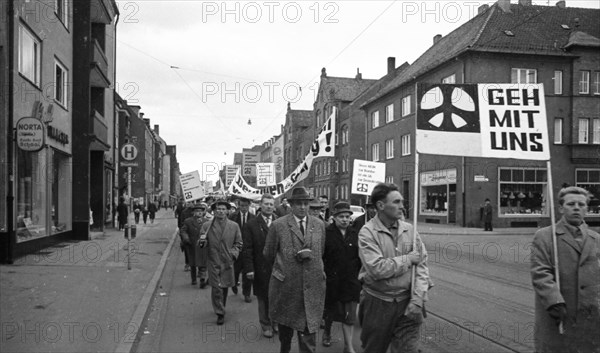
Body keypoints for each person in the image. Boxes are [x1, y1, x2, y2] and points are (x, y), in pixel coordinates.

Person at [358, 183, 430, 353]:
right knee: (374, 349)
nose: (402, 206)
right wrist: (407, 259)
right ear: (380, 206)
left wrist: (418, 299)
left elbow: (422, 265)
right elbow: (377, 268)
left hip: (408, 303)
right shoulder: (367, 233)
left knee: (408, 349)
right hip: (378, 303)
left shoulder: (410, 230)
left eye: (402, 202)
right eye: (396, 202)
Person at [530, 186, 600, 353]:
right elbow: (540, 272)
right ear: (561, 208)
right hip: (559, 315)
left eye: (581, 204)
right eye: (571, 204)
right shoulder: (546, 236)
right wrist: (554, 301)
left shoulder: (596, 238)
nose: (577, 207)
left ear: (587, 209)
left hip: (589, 318)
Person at [263, 187, 327, 353]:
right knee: (286, 334)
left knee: (308, 336)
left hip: (311, 288)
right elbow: (268, 253)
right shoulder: (278, 225)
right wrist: (285, 265)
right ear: (291, 205)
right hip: (286, 288)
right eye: (298, 204)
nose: (303, 207)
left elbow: (322, 251)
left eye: (306, 203)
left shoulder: (319, 225)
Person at [322, 202, 361, 352]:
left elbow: (360, 257)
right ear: (334, 218)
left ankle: (348, 345)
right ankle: (327, 332)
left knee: (350, 315)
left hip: (351, 280)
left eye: (347, 216)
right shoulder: (327, 233)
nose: (345, 219)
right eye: (341, 217)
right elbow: (322, 256)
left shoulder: (355, 233)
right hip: (333, 280)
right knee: (331, 311)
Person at [198, 200, 243, 325]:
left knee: (224, 286)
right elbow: (201, 243)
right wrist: (202, 242)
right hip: (213, 260)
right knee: (216, 287)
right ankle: (220, 313)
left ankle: (221, 305)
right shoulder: (207, 226)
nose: (220, 211)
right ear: (214, 211)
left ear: (227, 211)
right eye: (218, 209)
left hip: (227, 261)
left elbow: (239, 243)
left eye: (223, 209)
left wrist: (233, 254)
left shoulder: (234, 226)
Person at [242, 194, 278, 338]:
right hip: (260, 266)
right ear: (260, 206)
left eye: (271, 204)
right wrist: (249, 269)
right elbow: (247, 249)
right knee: (263, 297)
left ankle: (275, 321)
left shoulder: (279, 222)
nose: (269, 206)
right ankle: (266, 324)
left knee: (277, 296)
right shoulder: (251, 224)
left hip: (278, 267)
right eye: (266, 204)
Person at [229, 197, 255, 302]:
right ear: (238, 206)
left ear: (249, 206)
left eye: (246, 206)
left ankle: (246, 293)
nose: (244, 208)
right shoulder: (232, 217)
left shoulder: (253, 218)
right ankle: (234, 284)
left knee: (247, 272)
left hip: (248, 250)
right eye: (242, 206)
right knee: (235, 271)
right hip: (236, 249)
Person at [180, 203, 209, 287]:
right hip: (192, 244)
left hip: (202, 245)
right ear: (193, 212)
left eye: (200, 211)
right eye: (197, 211)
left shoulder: (206, 222)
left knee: (203, 262)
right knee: (193, 263)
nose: (199, 213)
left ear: (203, 212)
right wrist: (186, 238)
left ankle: (202, 279)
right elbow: (183, 231)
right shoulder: (188, 221)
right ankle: (193, 279)